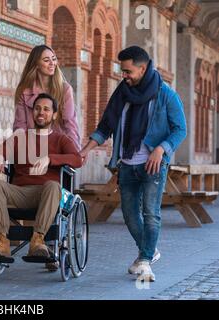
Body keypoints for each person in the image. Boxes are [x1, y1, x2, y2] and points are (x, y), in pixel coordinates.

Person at [80, 46, 187, 282]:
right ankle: (149, 252)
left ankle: (146, 261)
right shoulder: (122, 93)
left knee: (151, 214)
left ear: (143, 67)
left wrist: (161, 149)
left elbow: (180, 129)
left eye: (128, 71)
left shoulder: (166, 94)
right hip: (126, 164)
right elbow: (105, 126)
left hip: (152, 165)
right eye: (122, 71)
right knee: (129, 215)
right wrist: (85, 150)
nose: (124, 76)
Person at [0, 93, 82, 261]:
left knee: (53, 185)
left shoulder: (61, 139)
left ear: (54, 114)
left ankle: (38, 240)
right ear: (32, 112)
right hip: (19, 192)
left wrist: (51, 158)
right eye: (37, 109)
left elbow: (77, 159)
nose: (41, 112)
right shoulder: (20, 138)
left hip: (45, 194)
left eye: (46, 109)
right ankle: (2, 241)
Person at [14, 45, 81, 151]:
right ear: (36, 64)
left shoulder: (65, 89)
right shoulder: (24, 92)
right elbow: (20, 126)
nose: (52, 63)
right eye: (46, 60)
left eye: (53, 59)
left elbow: (70, 124)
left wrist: (74, 151)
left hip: (58, 150)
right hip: (32, 149)